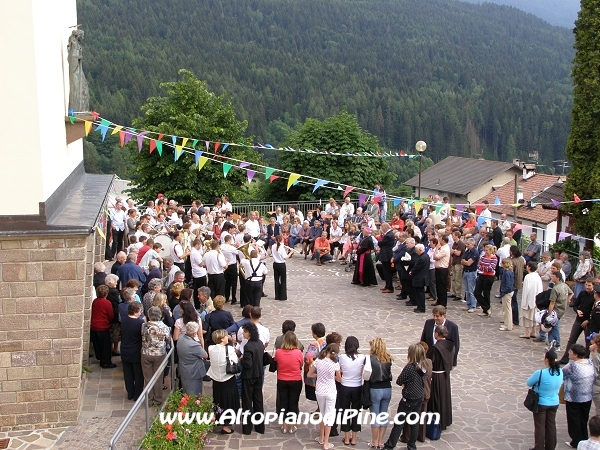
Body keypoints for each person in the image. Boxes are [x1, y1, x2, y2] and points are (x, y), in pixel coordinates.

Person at [382, 343, 428, 450]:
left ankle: (390, 445)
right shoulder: (424, 365)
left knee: (399, 423)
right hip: (419, 396)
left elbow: (399, 381)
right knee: (414, 422)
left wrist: (405, 384)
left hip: (409, 398)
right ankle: (412, 445)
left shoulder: (409, 368)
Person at [527, 349, 563, 450]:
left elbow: (529, 382)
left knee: (540, 426)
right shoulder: (560, 372)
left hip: (541, 402)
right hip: (554, 402)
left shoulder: (541, 373)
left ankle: (538, 447)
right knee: (551, 425)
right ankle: (550, 447)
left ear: (546, 360)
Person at [307, 343, 341, 450]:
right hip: (330, 391)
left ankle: (321, 437)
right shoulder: (335, 364)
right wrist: (333, 377)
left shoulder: (318, 361)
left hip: (320, 390)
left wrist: (317, 375)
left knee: (322, 413)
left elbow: (309, 374)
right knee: (329, 416)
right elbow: (339, 379)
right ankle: (326, 443)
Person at [207, 329, 239, 434]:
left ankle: (219, 419)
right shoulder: (229, 349)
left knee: (218, 400)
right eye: (226, 336)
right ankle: (226, 425)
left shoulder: (210, 348)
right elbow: (235, 361)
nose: (227, 337)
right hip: (227, 378)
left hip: (216, 378)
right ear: (221, 339)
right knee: (228, 401)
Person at [564, 344, 595, 448]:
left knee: (574, 420)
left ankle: (576, 441)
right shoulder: (589, 362)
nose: (569, 353)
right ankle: (584, 437)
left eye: (571, 352)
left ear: (576, 355)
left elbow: (562, 374)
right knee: (583, 419)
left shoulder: (572, 366)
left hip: (574, 397)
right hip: (587, 396)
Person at [559, 279, 596, 365]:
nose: (587, 287)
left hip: (588, 322)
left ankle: (585, 360)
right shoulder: (582, 293)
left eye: (589, 285)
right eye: (586, 285)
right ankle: (565, 358)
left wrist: (588, 320)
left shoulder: (594, 296)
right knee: (571, 340)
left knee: (588, 342)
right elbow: (575, 305)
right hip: (579, 320)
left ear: (593, 286)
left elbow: (594, 312)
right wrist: (577, 311)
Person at [273, 331, 304, 434]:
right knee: (293, 403)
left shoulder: (278, 352)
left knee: (283, 402)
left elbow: (276, 362)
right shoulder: (298, 352)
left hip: (282, 379)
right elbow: (301, 365)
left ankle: (284, 426)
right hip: (295, 380)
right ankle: (291, 426)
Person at [338, 336, 367, 445]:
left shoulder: (342, 357)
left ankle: (346, 437)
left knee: (345, 412)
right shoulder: (362, 357)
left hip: (345, 386)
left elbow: (340, 370)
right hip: (358, 386)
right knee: (356, 412)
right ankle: (354, 438)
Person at [141, 306, 172, 406]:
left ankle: (148, 400)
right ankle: (158, 400)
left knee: (147, 378)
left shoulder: (144, 325)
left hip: (146, 353)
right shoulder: (164, 327)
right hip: (159, 354)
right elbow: (168, 340)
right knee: (158, 378)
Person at [426, 325, 455, 432]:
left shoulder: (435, 348)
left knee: (436, 398)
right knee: (444, 397)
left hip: (437, 376)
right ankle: (445, 420)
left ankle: (437, 422)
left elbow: (428, 362)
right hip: (445, 375)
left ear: (437, 334)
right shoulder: (451, 345)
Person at [366, 338, 394, 449]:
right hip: (387, 388)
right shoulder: (388, 358)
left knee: (375, 416)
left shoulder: (370, 359)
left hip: (375, 389)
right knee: (383, 415)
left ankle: (374, 441)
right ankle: (381, 441)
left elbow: (367, 375)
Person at [240, 322, 265, 435]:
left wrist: (242, 359)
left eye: (245, 331)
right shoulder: (260, 343)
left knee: (247, 402)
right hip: (259, 375)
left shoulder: (248, 346)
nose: (243, 333)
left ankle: (247, 428)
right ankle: (260, 427)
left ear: (249, 333)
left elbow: (248, 364)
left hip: (249, 377)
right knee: (258, 401)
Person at [120, 301, 145, 400]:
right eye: (140, 311)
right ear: (136, 312)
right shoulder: (139, 323)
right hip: (135, 352)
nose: (140, 313)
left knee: (128, 374)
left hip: (124, 350)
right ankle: (137, 395)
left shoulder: (124, 320)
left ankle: (130, 393)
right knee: (138, 375)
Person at [177, 321, 208, 396]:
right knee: (194, 394)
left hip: (183, 369)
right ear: (194, 333)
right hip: (193, 372)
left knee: (185, 392)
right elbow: (205, 355)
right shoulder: (194, 345)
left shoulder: (180, 338)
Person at [90, 285, 116, 369]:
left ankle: (100, 358)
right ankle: (106, 362)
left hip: (94, 325)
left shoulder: (95, 301)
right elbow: (110, 315)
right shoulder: (107, 302)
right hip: (103, 326)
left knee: (97, 344)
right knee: (105, 346)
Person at [304, 323, 327, 405]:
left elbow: (308, 357)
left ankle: (320, 409)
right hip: (324, 369)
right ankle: (319, 408)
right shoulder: (326, 343)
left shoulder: (314, 345)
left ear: (315, 333)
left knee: (317, 391)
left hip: (315, 371)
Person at [521, 261, 544, 339]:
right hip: (536, 300)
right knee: (534, 316)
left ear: (529, 267)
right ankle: (533, 331)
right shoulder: (538, 276)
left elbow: (526, 290)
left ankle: (527, 332)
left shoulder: (528, 276)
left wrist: (524, 301)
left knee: (527, 316)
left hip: (529, 299)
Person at [475, 244, 498, 317]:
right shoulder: (483, 257)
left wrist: (483, 267)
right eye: (485, 250)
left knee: (486, 292)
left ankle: (485, 310)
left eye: (487, 250)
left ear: (490, 250)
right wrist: (484, 267)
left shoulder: (494, 258)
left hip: (489, 277)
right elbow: (478, 265)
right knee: (476, 292)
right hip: (482, 275)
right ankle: (487, 307)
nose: (485, 252)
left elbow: (491, 268)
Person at [272, 235, 294, 300]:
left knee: (276, 280)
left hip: (275, 264)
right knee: (283, 280)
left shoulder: (273, 246)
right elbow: (285, 258)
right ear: (281, 240)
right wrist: (291, 252)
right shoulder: (281, 247)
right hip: (281, 265)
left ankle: (277, 296)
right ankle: (282, 296)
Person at [410, 244, 431, 313]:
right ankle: (419, 306)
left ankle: (421, 307)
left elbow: (417, 267)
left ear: (420, 250)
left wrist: (412, 272)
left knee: (420, 294)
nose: (416, 252)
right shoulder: (426, 256)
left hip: (420, 278)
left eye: (417, 251)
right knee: (419, 293)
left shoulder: (422, 258)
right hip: (422, 277)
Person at [461, 238, 479, 313]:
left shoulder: (475, 252)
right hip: (466, 271)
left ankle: (473, 306)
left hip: (471, 272)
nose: (467, 245)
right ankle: (468, 304)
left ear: (472, 244)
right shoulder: (467, 251)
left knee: (471, 290)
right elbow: (462, 261)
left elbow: (469, 263)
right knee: (467, 290)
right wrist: (465, 262)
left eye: (468, 244)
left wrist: (465, 262)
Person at [433, 235, 451, 307]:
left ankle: (443, 303)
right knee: (438, 286)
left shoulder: (445, 249)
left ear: (443, 240)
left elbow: (436, 257)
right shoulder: (442, 247)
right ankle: (439, 300)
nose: (439, 241)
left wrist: (436, 249)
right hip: (438, 268)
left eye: (440, 239)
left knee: (442, 287)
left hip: (442, 269)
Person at [378, 223, 396, 293]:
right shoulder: (389, 234)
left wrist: (379, 241)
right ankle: (387, 285)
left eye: (382, 228)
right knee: (385, 271)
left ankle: (390, 287)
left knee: (387, 272)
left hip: (386, 255)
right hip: (385, 254)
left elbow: (381, 243)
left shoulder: (388, 235)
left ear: (385, 227)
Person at [499, 259, 515, 331]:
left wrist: (503, 292)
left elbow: (508, 285)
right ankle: (507, 323)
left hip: (507, 292)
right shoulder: (509, 272)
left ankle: (508, 325)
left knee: (507, 309)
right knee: (506, 309)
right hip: (509, 291)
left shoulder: (507, 273)